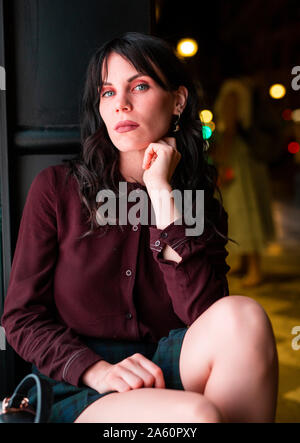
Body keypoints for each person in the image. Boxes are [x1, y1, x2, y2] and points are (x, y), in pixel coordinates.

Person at [1, 32, 278, 423]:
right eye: (108, 92)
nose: (122, 105)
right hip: (83, 386)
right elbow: (21, 318)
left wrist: (161, 193)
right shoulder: (56, 189)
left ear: (178, 100)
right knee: (195, 415)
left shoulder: (197, 201)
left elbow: (204, 314)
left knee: (245, 317)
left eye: (140, 87)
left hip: (170, 364)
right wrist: (99, 371)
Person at [211, 78, 276, 287]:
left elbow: (229, 129)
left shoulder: (231, 91)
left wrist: (221, 160)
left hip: (238, 157)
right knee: (245, 208)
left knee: (243, 210)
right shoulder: (246, 89)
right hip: (248, 156)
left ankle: (255, 268)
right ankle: (246, 263)